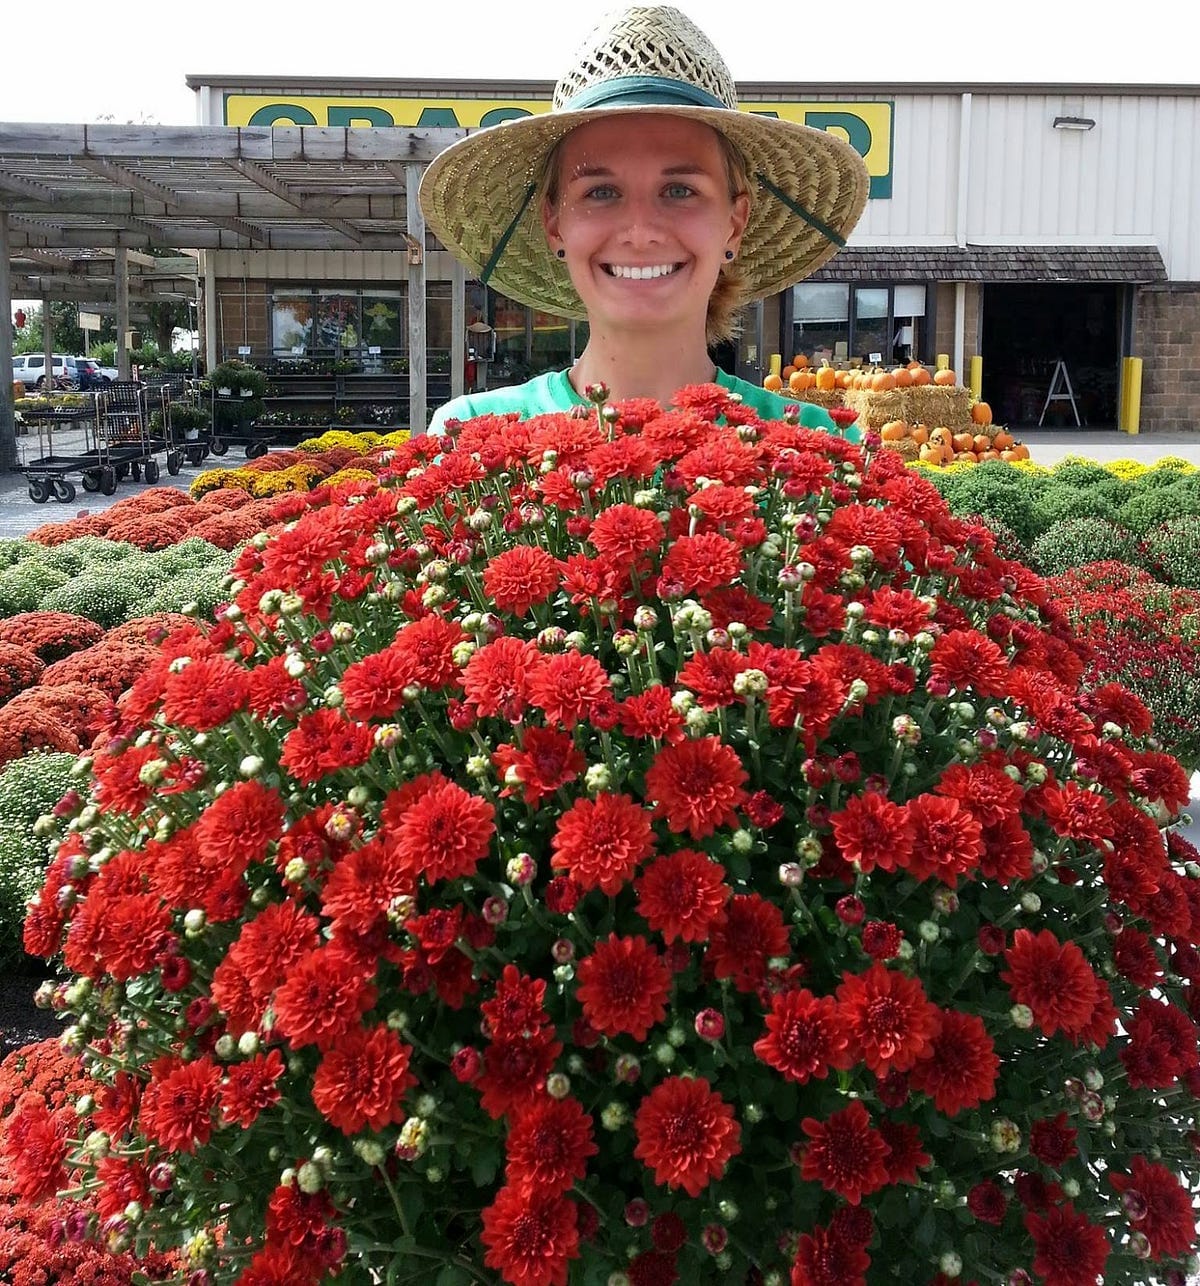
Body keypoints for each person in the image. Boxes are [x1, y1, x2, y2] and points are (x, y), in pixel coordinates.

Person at [419, 5, 869, 437]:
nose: (639, 232)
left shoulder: (816, 444)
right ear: (554, 224)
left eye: (679, 191)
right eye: (600, 192)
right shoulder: (469, 439)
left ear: (734, 223)